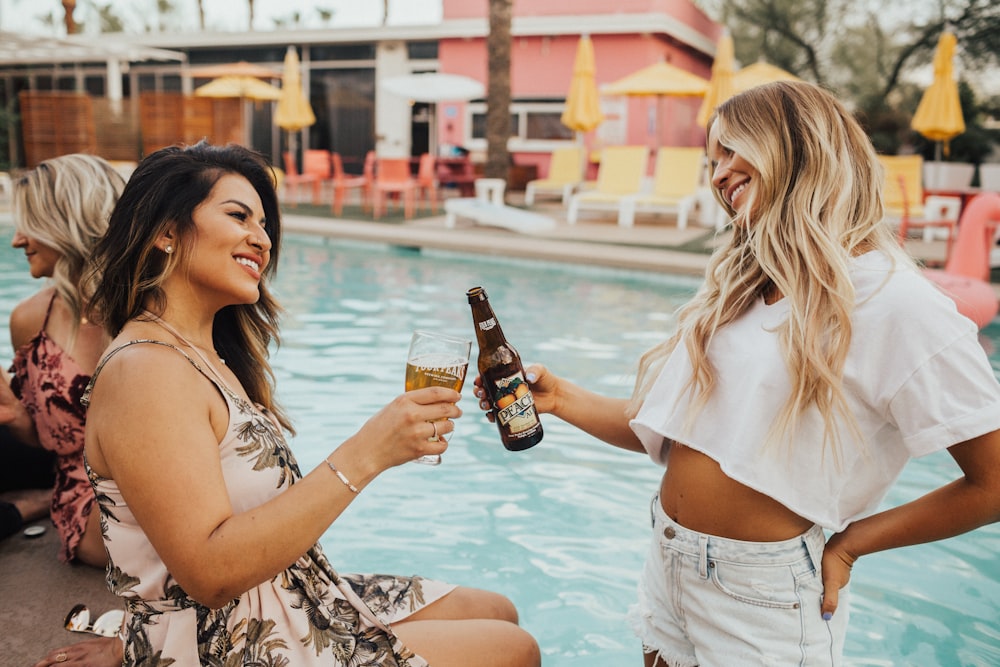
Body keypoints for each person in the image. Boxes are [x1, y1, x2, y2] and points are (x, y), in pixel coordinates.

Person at [475, 81, 1000, 666]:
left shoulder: (896, 302)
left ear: (799, 146)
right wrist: (561, 397)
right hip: (668, 559)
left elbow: (994, 482)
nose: (719, 172)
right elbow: (676, 435)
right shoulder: (745, 290)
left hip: (766, 595)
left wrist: (853, 547)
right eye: (712, 160)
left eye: (732, 150)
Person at [71, 141, 540, 667]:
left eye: (265, 224)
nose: (261, 238)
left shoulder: (201, 353)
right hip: (227, 638)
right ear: (166, 231)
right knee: (514, 651)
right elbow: (207, 572)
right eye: (238, 216)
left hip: (286, 592)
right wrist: (368, 453)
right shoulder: (146, 372)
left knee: (498, 609)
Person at [0, 153, 124, 565]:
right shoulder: (31, 321)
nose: (18, 240)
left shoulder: (152, 306)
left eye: (30, 226)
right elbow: (55, 444)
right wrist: (17, 416)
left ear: (68, 222)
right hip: (91, 507)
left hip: (174, 486)